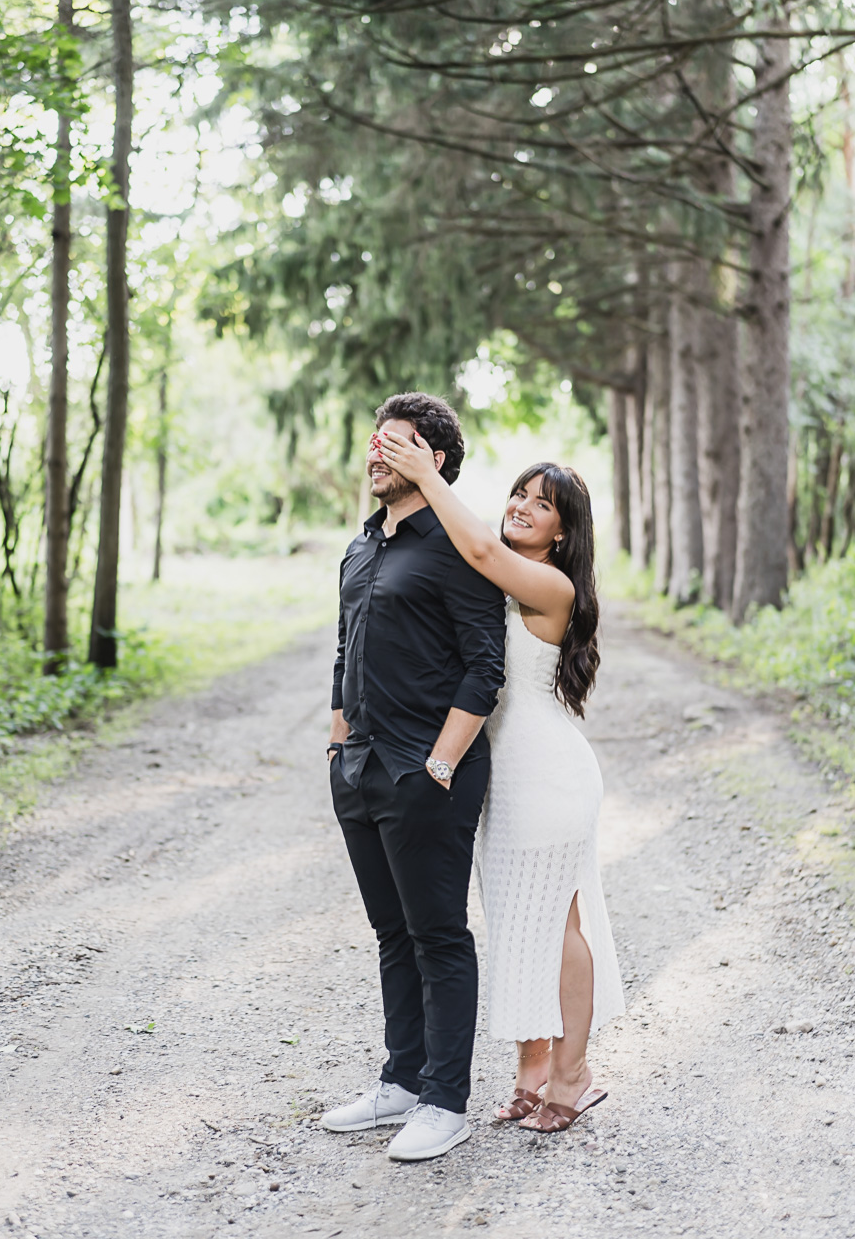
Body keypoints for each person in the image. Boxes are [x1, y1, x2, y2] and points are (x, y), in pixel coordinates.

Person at [376, 428, 626, 1135]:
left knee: (559, 922)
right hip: (504, 783)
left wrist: (427, 472)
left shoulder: (551, 585)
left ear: (563, 531)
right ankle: (531, 1070)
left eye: (541, 504)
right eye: (517, 493)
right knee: (517, 923)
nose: (521, 507)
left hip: (549, 775)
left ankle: (574, 1072)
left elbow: (480, 545)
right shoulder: (493, 577)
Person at [320, 393, 506, 1162]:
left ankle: (445, 1101)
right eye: (374, 440)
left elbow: (484, 668)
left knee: (438, 936)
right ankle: (399, 1081)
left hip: (429, 774)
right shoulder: (362, 548)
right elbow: (344, 655)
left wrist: (438, 765)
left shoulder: (457, 549)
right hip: (359, 771)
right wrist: (337, 749)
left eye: (395, 444)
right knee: (390, 933)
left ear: (432, 460)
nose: (375, 452)